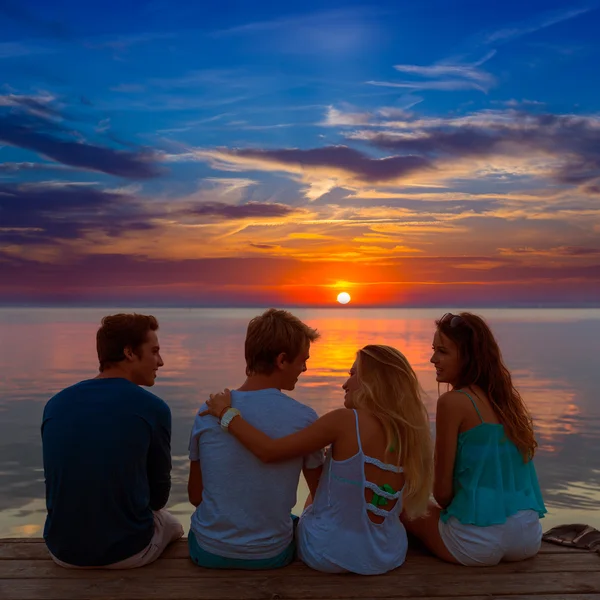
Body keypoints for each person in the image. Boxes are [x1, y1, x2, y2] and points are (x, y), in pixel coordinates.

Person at [202, 344, 434, 575]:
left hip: (329, 552)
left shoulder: (345, 420)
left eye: (353, 374)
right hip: (386, 554)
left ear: (373, 380)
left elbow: (268, 451)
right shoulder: (409, 435)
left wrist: (226, 414)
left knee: (310, 502)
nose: (345, 384)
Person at [402, 312, 547, 566]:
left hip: (477, 542)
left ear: (468, 356)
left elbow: (443, 494)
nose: (432, 359)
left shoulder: (453, 401)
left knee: (401, 501)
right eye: (434, 349)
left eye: (443, 351)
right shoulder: (507, 403)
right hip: (527, 537)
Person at [41, 313, 183, 569]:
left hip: (62, 552)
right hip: (128, 553)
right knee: (173, 524)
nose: (160, 362)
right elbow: (158, 498)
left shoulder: (56, 404)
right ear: (129, 353)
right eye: (154, 351)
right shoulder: (152, 408)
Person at [187, 308, 324, 569]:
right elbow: (320, 494)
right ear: (282, 360)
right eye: (302, 360)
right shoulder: (304, 418)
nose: (305, 368)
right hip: (270, 554)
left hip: (208, 551)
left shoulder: (207, 413)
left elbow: (195, 496)